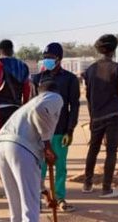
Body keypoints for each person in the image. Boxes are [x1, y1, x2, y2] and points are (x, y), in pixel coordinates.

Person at [0, 80, 63, 222]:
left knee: (17, 211)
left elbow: (31, 169)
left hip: (3, 146)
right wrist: (48, 145)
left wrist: (44, 191)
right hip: (19, 148)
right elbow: (43, 111)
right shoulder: (52, 98)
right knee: (30, 212)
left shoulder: (29, 104)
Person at [82, 34, 118, 199]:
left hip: (96, 115)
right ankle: (106, 189)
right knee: (111, 151)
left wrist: (92, 117)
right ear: (113, 50)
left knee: (93, 149)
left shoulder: (90, 70)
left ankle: (87, 184)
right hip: (113, 114)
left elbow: (88, 95)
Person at [32, 43, 81, 212]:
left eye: (51, 58)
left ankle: (59, 197)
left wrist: (70, 130)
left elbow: (74, 106)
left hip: (60, 130)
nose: (47, 60)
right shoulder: (37, 79)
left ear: (59, 59)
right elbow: (32, 106)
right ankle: (38, 198)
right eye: (45, 57)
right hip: (40, 131)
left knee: (60, 166)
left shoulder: (70, 79)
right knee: (40, 167)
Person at [0, 39, 32, 136]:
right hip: (16, 107)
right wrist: (24, 103)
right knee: (14, 137)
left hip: (1, 107)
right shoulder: (23, 66)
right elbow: (26, 87)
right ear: (12, 51)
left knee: (0, 137)